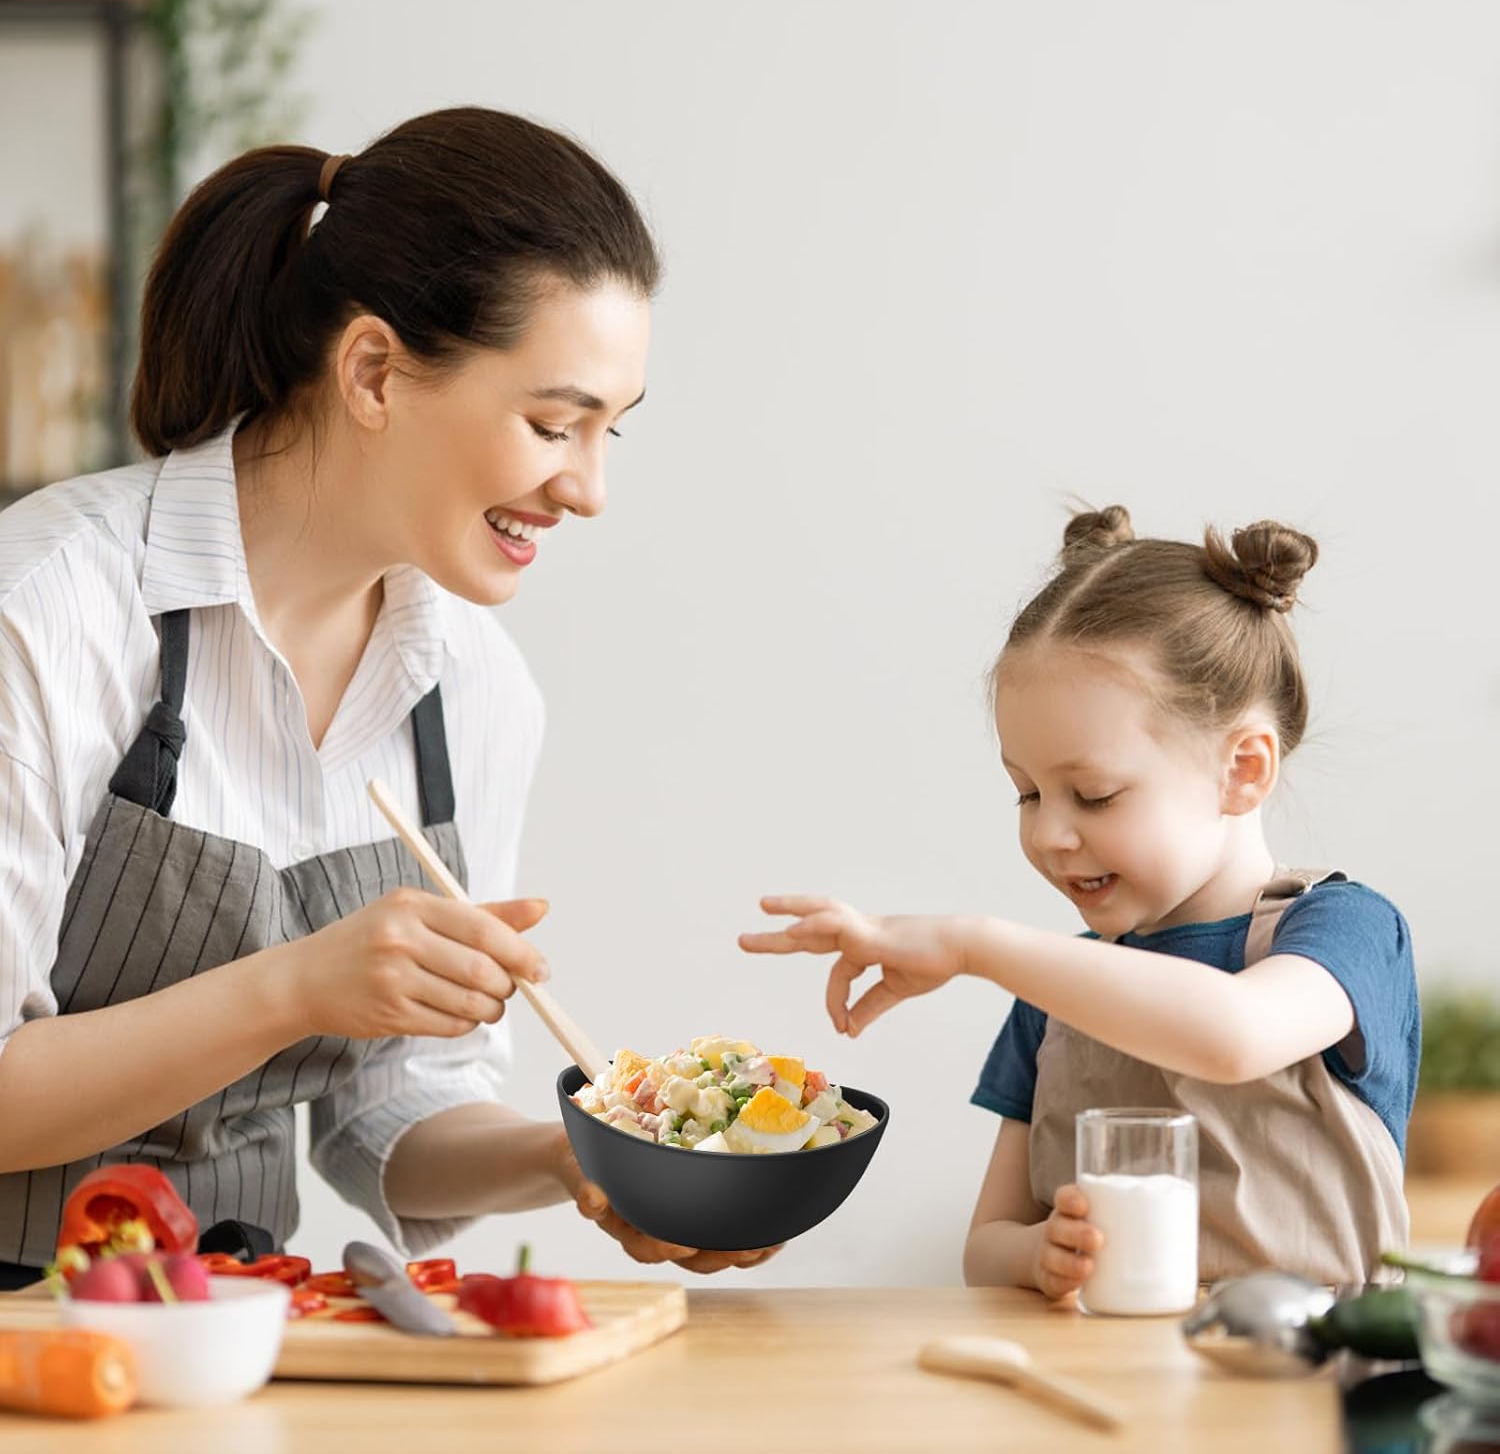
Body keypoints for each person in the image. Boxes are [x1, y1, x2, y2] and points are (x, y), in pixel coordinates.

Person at [0, 106, 776, 1287]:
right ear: (372, 372)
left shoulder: (473, 688)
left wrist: (582, 1158)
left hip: (240, 1320)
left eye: (610, 433)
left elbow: (390, 1116)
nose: (589, 489)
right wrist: (296, 986)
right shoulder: (45, 610)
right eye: (553, 424)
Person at [741, 506, 1418, 1291]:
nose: (1049, 834)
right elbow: (987, 1247)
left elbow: (1232, 1036)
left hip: (1306, 1369)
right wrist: (1037, 1257)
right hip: (1104, 1366)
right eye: (1027, 793)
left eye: (1094, 795)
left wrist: (973, 945)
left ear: (1242, 770)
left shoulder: (1345, 929)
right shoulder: (1055, 992)